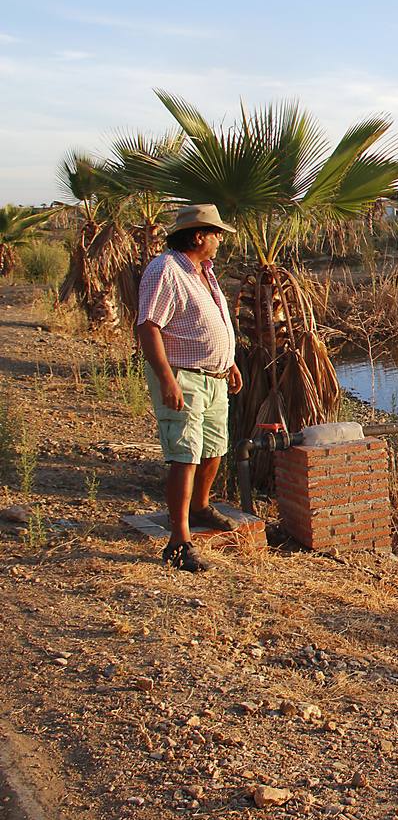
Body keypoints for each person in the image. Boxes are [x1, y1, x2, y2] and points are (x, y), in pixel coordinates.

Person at [135, 204, 244, 572]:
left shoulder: (204, 272)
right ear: (199, 235)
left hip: (213, 377)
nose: (219, 241)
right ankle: (179, 540)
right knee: (185, 453)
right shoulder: (166, 269)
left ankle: (201, 505)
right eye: (216, 234)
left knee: (214, 447)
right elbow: (149, 326)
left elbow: (201, 323)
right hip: (184, 376)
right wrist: (167, 378)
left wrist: (227, 361)